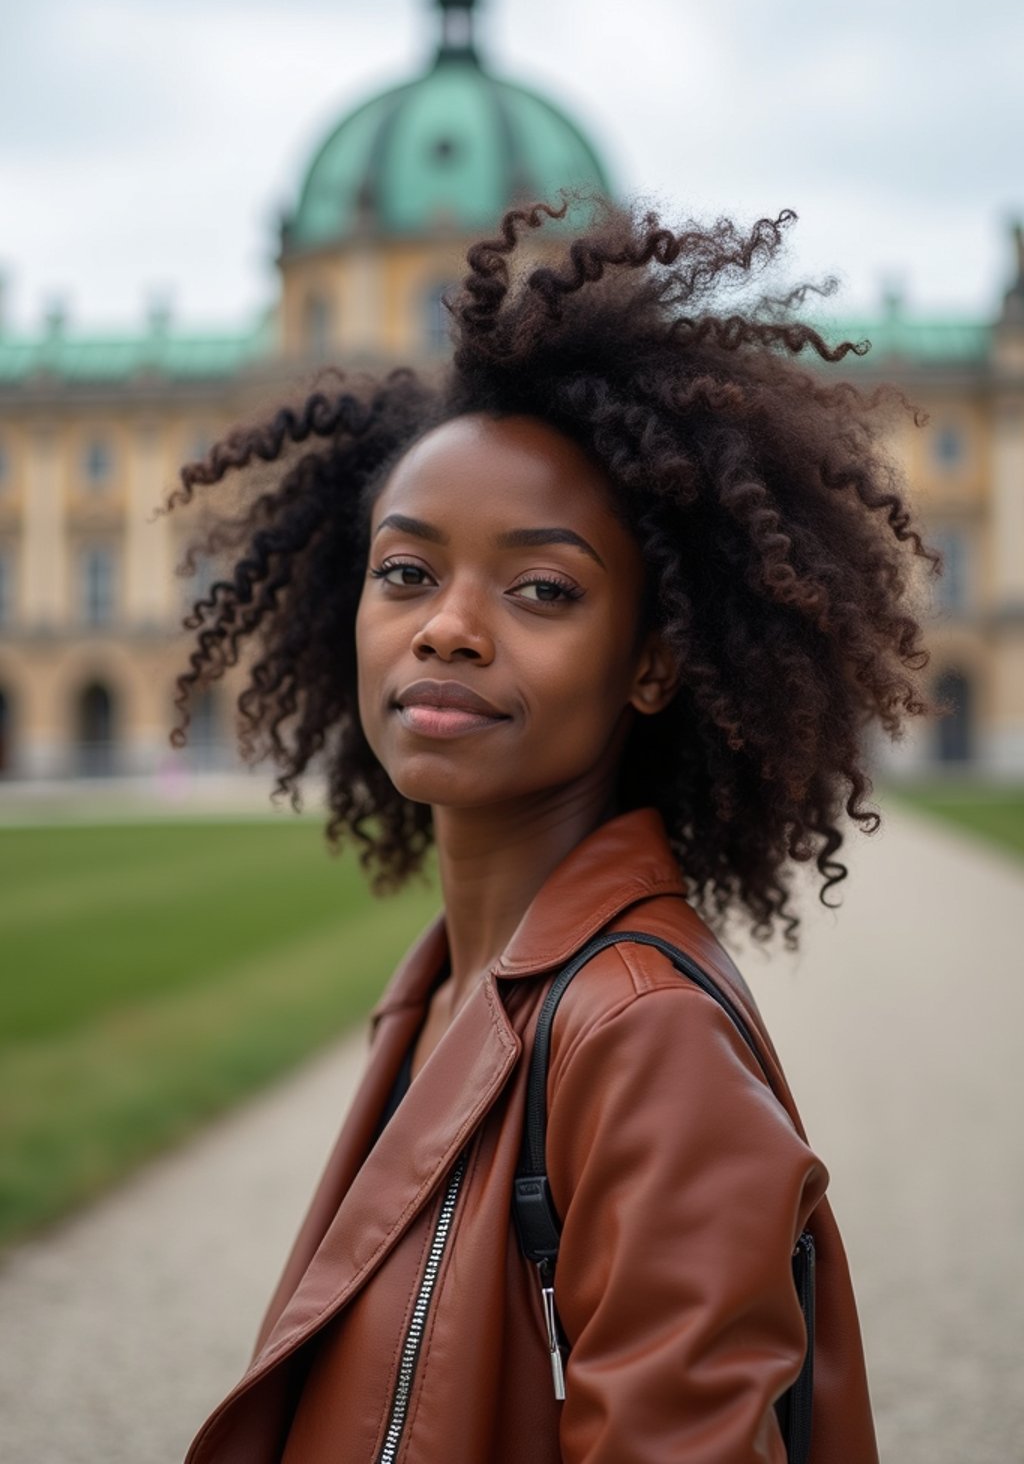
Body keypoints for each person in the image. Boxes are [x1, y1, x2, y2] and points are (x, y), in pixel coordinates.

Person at [172, 198, 940, 1464]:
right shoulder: (442, 984)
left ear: (652, 662)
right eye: (407, 572)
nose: (447, 627)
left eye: (541, 588)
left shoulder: (641, 1035)